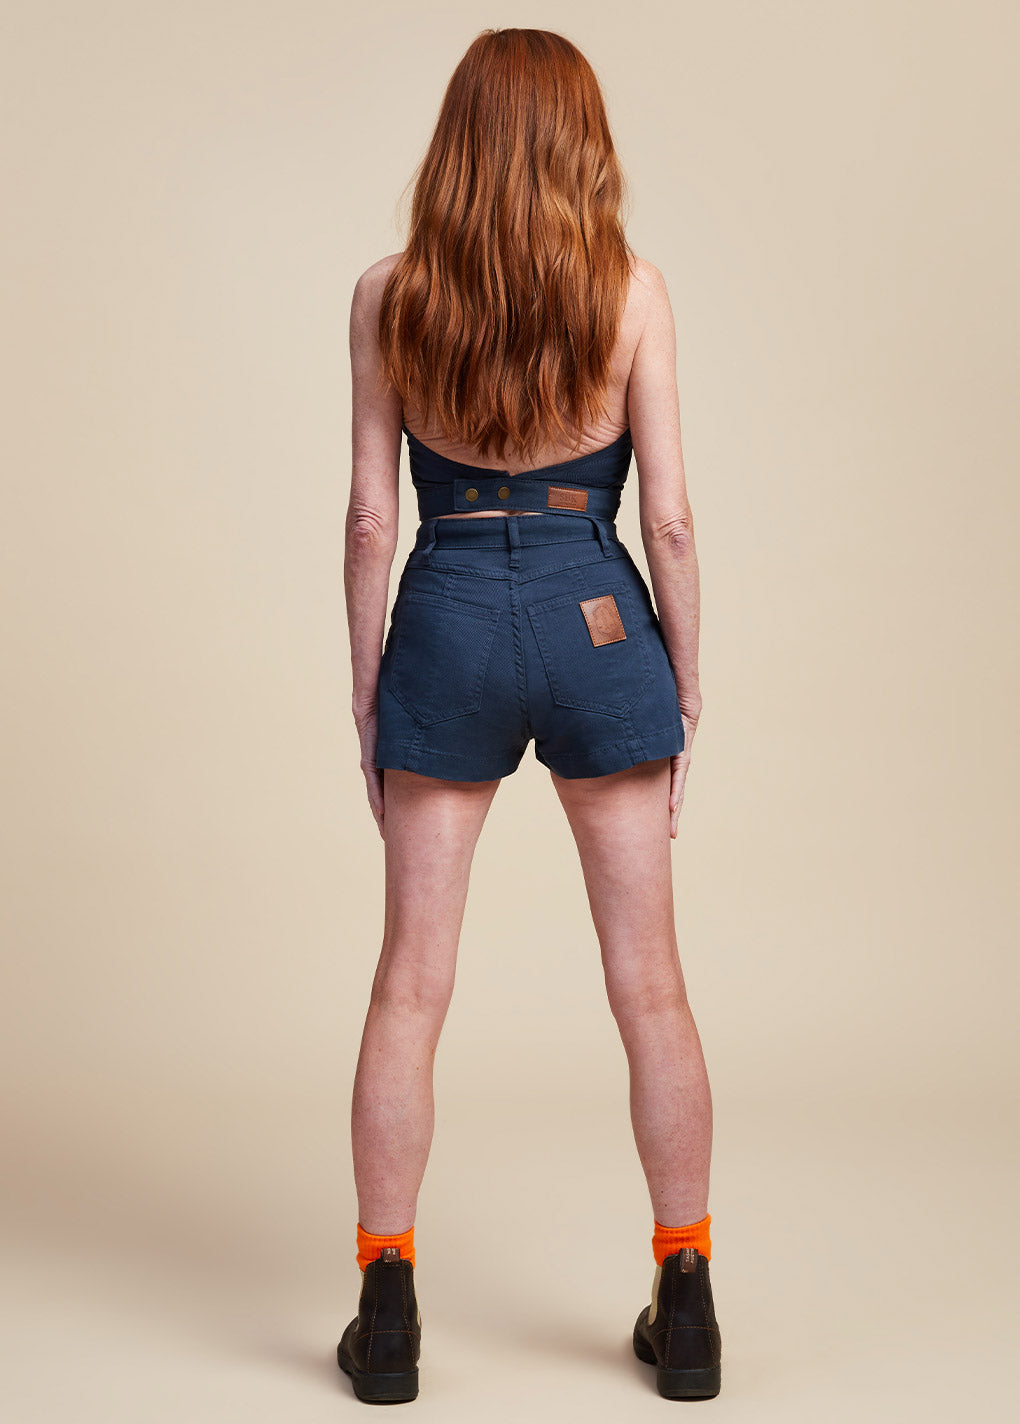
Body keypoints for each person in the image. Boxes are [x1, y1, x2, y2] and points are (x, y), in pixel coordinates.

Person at [337, 27, 719, 1404]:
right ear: (581, 144)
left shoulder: (391, 296)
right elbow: (667, 521)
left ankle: (388, 1306)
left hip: (443, 610)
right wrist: (684, 684)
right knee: (650, 985)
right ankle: (688, 1299)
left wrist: (370, 692)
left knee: (410, 983)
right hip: (596, 615)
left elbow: (372, 517)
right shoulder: (632, 292)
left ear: (459, 142)